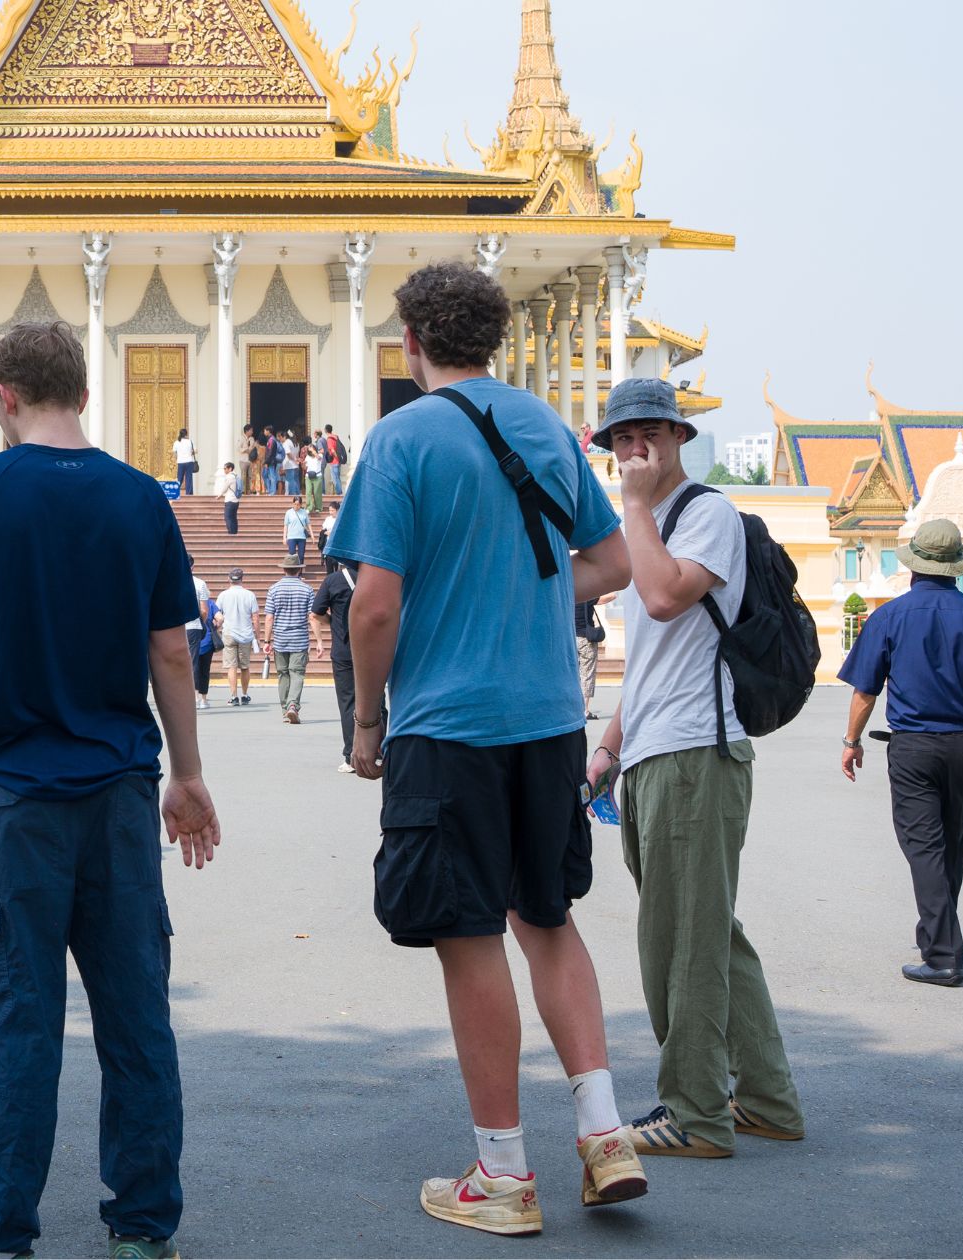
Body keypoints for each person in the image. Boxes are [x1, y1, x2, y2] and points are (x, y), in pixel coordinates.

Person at [330, 261, 641, 1236]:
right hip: (545, 716)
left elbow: (373, 604)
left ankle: (502, 1172)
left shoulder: (400, 439)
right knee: (545, 919)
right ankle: (601, 1133)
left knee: (468, 935)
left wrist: (366, 718)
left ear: (409, 342)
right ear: (493, 339)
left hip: (448, 726)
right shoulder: (545, 426)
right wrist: (532, 597)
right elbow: (610, 560)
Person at [0, 319, 219, 1260]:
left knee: (21, 1019)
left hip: (16, 789)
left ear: (5, 396)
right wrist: (189, 774)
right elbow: (172, 648)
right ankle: (141, 1225)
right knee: (135, 1017)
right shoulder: (140, 498)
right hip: (120, 785)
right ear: (84, 392)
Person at [585, 382, 805, 1160]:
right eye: (622, 437)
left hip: (696, 755)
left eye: (649, 433)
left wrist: (637, 507)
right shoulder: (643, 523)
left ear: (680, 437)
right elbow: (648, 657)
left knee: (680, 944)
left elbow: (666, 595)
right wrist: (609, 746)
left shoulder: (706, 514)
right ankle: (769, 1100)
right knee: (709, 936)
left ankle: (697, 1114)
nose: (635, 448)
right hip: (652, 751)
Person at [839, 518, 963, 988]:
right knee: (949, 846)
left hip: (914, 746)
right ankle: (937, 938)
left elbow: (865, 691)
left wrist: (851, 742)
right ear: (956, 568)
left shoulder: (889, 617)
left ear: (913, 566)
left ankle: (942, 957)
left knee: (923, 848)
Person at [313, 560, 357, 771]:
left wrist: (334, 622)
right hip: (374, 650)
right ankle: (379, 751)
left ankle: (351, 755)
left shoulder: (333, 580)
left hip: (344, 649)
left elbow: (316, 612)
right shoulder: (373, 577)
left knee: (348, 702)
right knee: (377, 701)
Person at [259, 558, 315, 722]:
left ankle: (285, 710)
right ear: (299, 570)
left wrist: (267, 641)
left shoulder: (274, 589)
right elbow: (312, 616)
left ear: (284, 570)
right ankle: (293, 706)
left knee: (283, 674)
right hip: (299, 639)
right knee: (297, 673)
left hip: (281, 639)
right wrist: (318, 640)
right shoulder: (307, 589)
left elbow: (269, 618)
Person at [217, 567, 258, 707]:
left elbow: (218, 615)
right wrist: (257, 636)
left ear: (229, 579)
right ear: (242, 579)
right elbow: (255, 618)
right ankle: (245, 695)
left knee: (231, 666)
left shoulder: (223, 595)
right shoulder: (250, 595)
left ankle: (234, 696)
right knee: (245, 666)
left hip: (229, 632)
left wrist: (216, 628)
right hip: (246, 634)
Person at [574, 595, 613, 720]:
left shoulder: (566, 596)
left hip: (570, 639)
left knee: (571, 674)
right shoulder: (587, 597)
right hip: (586, 639)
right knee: (587, 674)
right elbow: (612, 596)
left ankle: (571, 709)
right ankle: (584, 710)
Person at [186, 557, 217, 710]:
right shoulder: (200, 583)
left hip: (175, 626)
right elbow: (204, 610)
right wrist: (203, 623)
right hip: (193, 626)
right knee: (193, 662)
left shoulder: (171, 581)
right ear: (192, 566)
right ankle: (196, 698)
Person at [282, 498, 311, 568]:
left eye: (298, 504)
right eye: (294, 504)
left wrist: (312, 535)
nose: (296, 506)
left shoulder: (304, 512)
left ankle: (299, 573)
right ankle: (293, 573)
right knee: (292, 556)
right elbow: (285, 526)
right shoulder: (288, 512)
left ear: (301, 505)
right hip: (291, 537)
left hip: (302, 537)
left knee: (301, 556)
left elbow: (308, 524)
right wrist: (284, 537)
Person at [217, 461, 241, 535]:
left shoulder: (229, 477)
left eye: (225, 468)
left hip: (230, 500)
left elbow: (225, 488)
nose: (224, 470)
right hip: (236, 500)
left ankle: (231, 533)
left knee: (227, 517)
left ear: (230, 469)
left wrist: (219, 495)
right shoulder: (236, 476)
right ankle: (234, 532)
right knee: (233, 517)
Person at [323, 424, 347, 495]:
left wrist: (337, 458)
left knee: (335, 479)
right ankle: (339, 493)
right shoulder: (336, 437)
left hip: (334, 462)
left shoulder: (329, 439)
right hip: (337, 461)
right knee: (337, 477)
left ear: (326, 430)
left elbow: (332, 450)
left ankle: (339, 493)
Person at [172, 427, 197, 496]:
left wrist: (177, 458)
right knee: (189, 478)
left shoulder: (176, 442)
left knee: (179, 477)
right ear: (186, 434)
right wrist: (191, 453)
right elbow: (195, 451)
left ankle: (175, 492)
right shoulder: (190, 441)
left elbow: (174, 453)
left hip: (180, 462)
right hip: (189, 462)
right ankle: (188, 493)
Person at [302, 441, 324, 512]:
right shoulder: (307, 457)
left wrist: (314, 451)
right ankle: (309, 507)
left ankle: (318, 508)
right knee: (308, 492)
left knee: (316, 492)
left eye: (312, 448)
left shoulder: (320, 455)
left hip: (317, 476)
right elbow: (305, 468)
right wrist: (303, 464)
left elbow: (319, 458)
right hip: (308, 476)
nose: (310, 450)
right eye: (309, 449)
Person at [260, 425, 280, 495]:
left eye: (265, 430)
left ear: (268, 431)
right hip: (269, 461)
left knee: (272, 476)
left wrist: (266, 462)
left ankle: (272, 491)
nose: (264, 432)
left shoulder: (272, 440)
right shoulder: (270, 439)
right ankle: (269, 489)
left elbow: (271, 453)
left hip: (270, 461)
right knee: (264, 475)